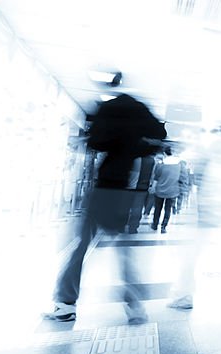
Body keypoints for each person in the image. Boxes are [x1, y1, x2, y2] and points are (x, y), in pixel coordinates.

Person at [44, 71, 166, 324]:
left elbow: (97, 143)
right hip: (124, 192)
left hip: (104, 187)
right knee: (123, 250)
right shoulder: (139, 108)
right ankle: (134, 305)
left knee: (80, 246)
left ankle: (65, 303)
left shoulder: (108, 109)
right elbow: (159, 137)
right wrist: (138, 146)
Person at [168, 123, 221, 310]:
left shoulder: (209, 148)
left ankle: (183, 295)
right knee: (217, 251)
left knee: (191, 254)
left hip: (207, 209)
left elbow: (197, 172)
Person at [150, 148, 184, 233]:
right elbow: (182, 178)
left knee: (158, 209)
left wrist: (153, 187)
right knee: (167, 209)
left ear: (165, 154)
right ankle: (163, 227)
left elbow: (156, 178)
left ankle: (155, 225)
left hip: (160, 190)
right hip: (172, 191)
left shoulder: (160, 164)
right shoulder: (179, 165)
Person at [127, 154, 155, 233]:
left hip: (130, 186)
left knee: (126, 206)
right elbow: (152, 175)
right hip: (143, 187)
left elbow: (131, 172)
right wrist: (151, 185)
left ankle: (122, 226)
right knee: (138, 208)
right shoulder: (151, 160)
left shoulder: (135, 158)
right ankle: (133, 227)